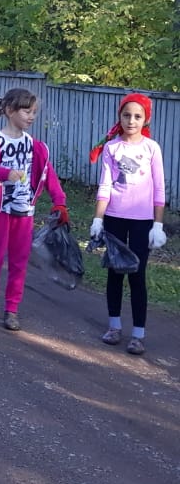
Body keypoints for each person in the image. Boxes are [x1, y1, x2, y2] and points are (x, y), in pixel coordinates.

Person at [0, 87, 68, 331]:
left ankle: (12, 310)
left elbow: (50, 177)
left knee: (19, 263)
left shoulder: (36, 146)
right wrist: (5, 173)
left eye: (34, 112)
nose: (31, 116)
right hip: (0, 211)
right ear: (9, 111)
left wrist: (60, 202)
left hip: (24, 213)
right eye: (27, 111)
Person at [88, 93, 166, 356]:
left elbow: (159, 189)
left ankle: (138, 334)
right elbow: (105, 186)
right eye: (126, 115)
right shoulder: (112, 148)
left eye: (137, 116)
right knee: (115, 272)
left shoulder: (151, 148)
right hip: (115, 218)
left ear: (145, 119)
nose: (131, 121)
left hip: (142, 222)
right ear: (119, 117)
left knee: (137, 275)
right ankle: (114, 326)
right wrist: (99, 219)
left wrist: (158, 225)